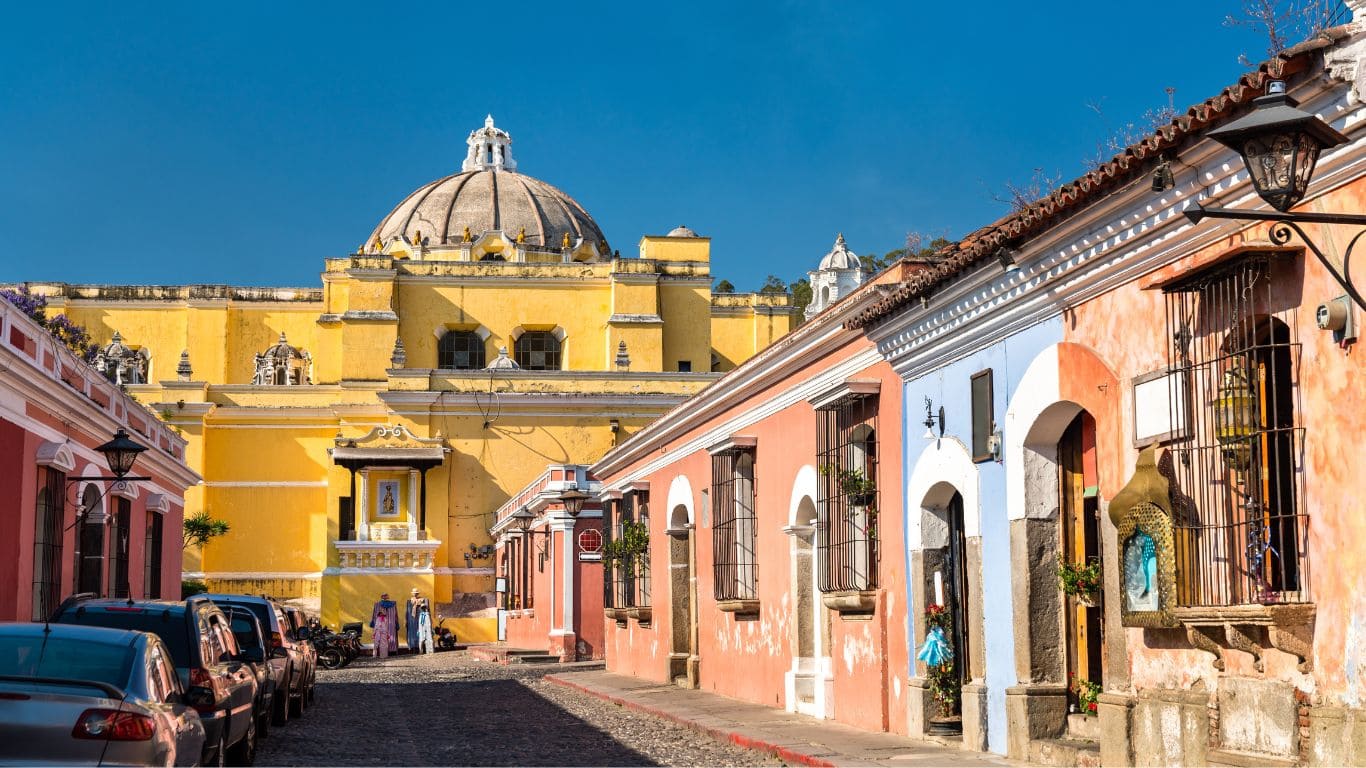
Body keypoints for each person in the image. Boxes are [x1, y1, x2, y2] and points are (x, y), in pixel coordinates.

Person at [370, 593, 398, 657]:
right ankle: (380, 654)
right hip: (381, 631)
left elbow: (377, 624)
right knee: (381, 643)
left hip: (382, 632)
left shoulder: (380, 617)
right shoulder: (392, 605)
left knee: (382, 643)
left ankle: (383, 655)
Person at [405, 588, 423, 652]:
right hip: (411, 620)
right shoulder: (410, 601)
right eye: (414, 593)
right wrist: (406, 620)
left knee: (419, 632)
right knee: (412, 633)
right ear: (412, 594)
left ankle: (419, 646)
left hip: (418, 619)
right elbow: (407, 611)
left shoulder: (421, 600)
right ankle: (412, 647)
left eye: (416, 593)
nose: (415, 594)